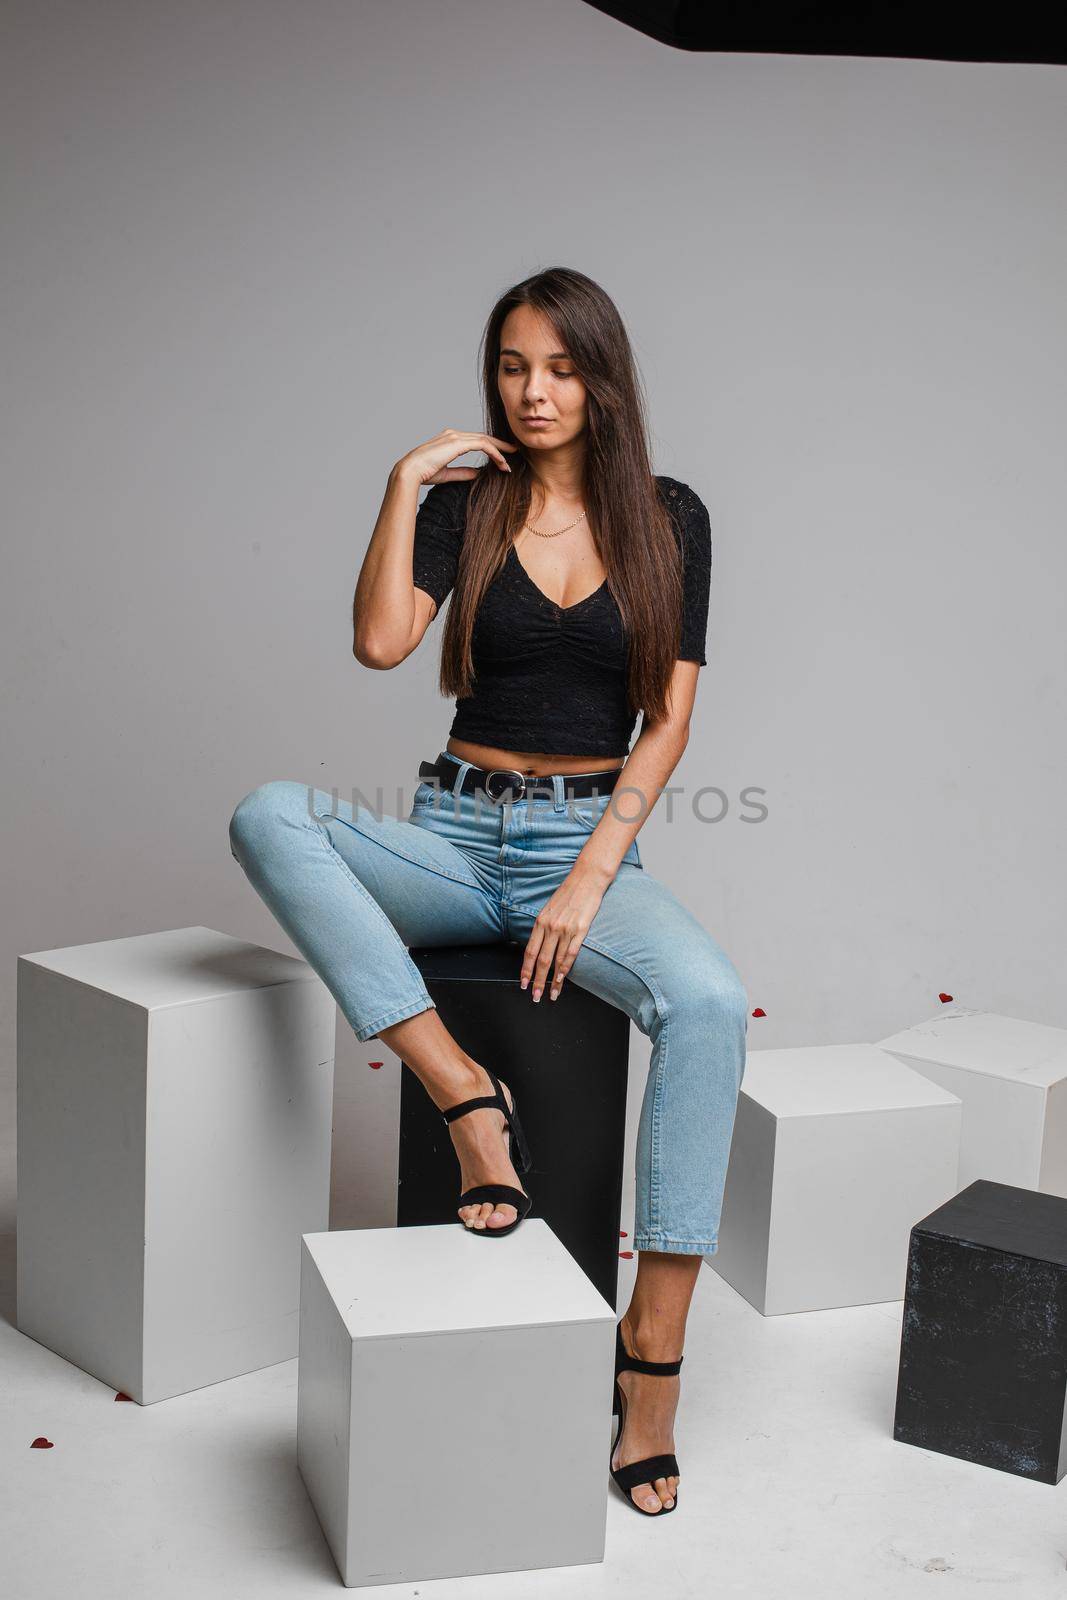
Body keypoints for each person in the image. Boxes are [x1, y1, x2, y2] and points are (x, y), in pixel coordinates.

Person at [228, 266, 748, 1517]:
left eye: (560, 368)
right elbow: (378, 642)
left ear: (602, 379)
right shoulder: (466, 505)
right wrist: (403, 487)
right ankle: (462, 1091)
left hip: (587, 840)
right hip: (453, 835)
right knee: (268, 816)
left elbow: (667, 728)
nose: (533, 391)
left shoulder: (670, 514)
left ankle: (652, 1365)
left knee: (710, 1002)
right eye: (513, 366)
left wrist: (587, 877)